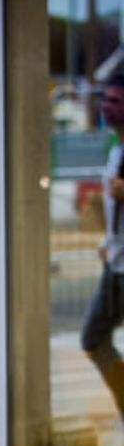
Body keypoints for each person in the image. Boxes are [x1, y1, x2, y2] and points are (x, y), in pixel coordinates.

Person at [80, 74, 124, 416]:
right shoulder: (116, 149)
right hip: (116, 264)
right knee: (94, 337)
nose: (106, 107)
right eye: (105, 100)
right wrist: (107, 242)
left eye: (115, 101)